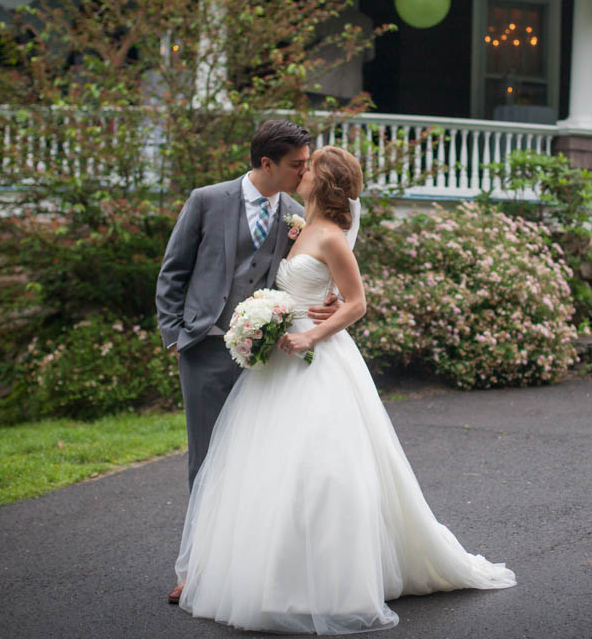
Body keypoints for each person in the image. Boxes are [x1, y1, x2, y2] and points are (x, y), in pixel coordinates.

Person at [173, 145, 516, 633]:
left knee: (322, 469)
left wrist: (311, 333)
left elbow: (356, 304)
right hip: (279, 362)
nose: (301, 171)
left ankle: (325, 582)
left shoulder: (331, 237)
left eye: (309, 167)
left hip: (317, 358)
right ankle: (271, 577)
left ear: (324, 182)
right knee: (269, 468)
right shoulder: (299, 224)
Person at [157, 120, 339, 512]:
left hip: (266, 357)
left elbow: (317, 269)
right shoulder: (207, 200)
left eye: (306, 163)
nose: (305, 172)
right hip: (204, 345)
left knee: (259, 457)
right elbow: (174, 271)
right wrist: (173, 335)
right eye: (297, 164)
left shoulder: (296, 213)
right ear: (266, 163)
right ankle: (195, 566)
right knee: (205, 457)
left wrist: (333, 299)